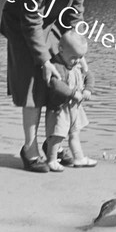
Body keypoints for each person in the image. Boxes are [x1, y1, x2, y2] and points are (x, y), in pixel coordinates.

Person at [0, 0, 104, 172]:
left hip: (56, 25)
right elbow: (31, 19)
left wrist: (78, 50)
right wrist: (44, 60)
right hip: (23, 28)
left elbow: (76, 11)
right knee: (34, 87)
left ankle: (52, 145)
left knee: (63, 81)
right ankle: (30, 149)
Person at [44, 30, 97, 171]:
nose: (78, 60)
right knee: (57, 136)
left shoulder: (77, 63)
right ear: (61, 50)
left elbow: (89, 76)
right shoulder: (57, 66)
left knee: (75, 133)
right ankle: (51, 160)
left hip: (75, 108)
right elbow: (56, 84)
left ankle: (78, 158)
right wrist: (73, 93)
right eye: (74, 57)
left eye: (81, 57)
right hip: (59, 108)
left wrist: (88, 90)